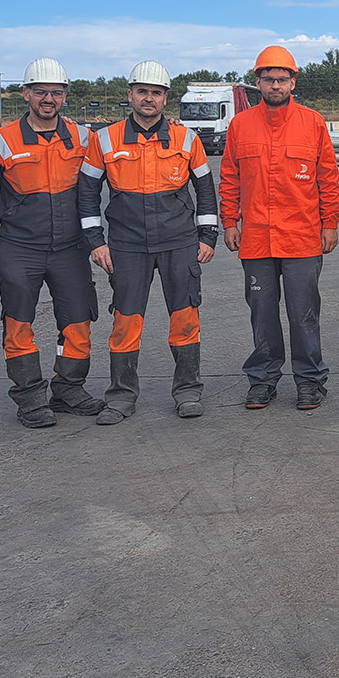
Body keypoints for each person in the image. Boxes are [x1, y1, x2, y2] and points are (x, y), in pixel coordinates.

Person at [78, 60, 218, 423]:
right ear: (131, 95)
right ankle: (122, 396)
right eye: (142, 91)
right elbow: (87, 193)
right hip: (126, 245)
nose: (149, 98)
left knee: (185, 318)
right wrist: (96, 240)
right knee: (125, 321)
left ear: (165, 98)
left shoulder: (187, 138)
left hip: (179, 242)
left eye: (156, 93)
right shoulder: (104, 139)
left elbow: (205, 190)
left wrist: (208, 236)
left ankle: (187, 391)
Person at [0, 57, 104, 428]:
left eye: (56, 92)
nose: (48, 99)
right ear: (26, 94)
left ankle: (68, 388)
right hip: (18, 249)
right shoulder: (0, 141)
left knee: (79, 321)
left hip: (70, 248)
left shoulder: (84, 137)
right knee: (19, 322)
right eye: (40, 92)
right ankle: (30, 396)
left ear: (65, 96)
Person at [218, 45, 339, 410]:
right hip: (256, 239)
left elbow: (327, 179)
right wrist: (229, 221)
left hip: (302, 238)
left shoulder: (312, 122)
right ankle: (263, 379)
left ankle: (309, 380)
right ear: (258, 82)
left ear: (293, 81)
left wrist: (330, 224)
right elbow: (229, 177)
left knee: (304, 313)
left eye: (281, 79)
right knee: (263, 313)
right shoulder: (241, 125)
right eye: (268, 79)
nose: (275, 85)